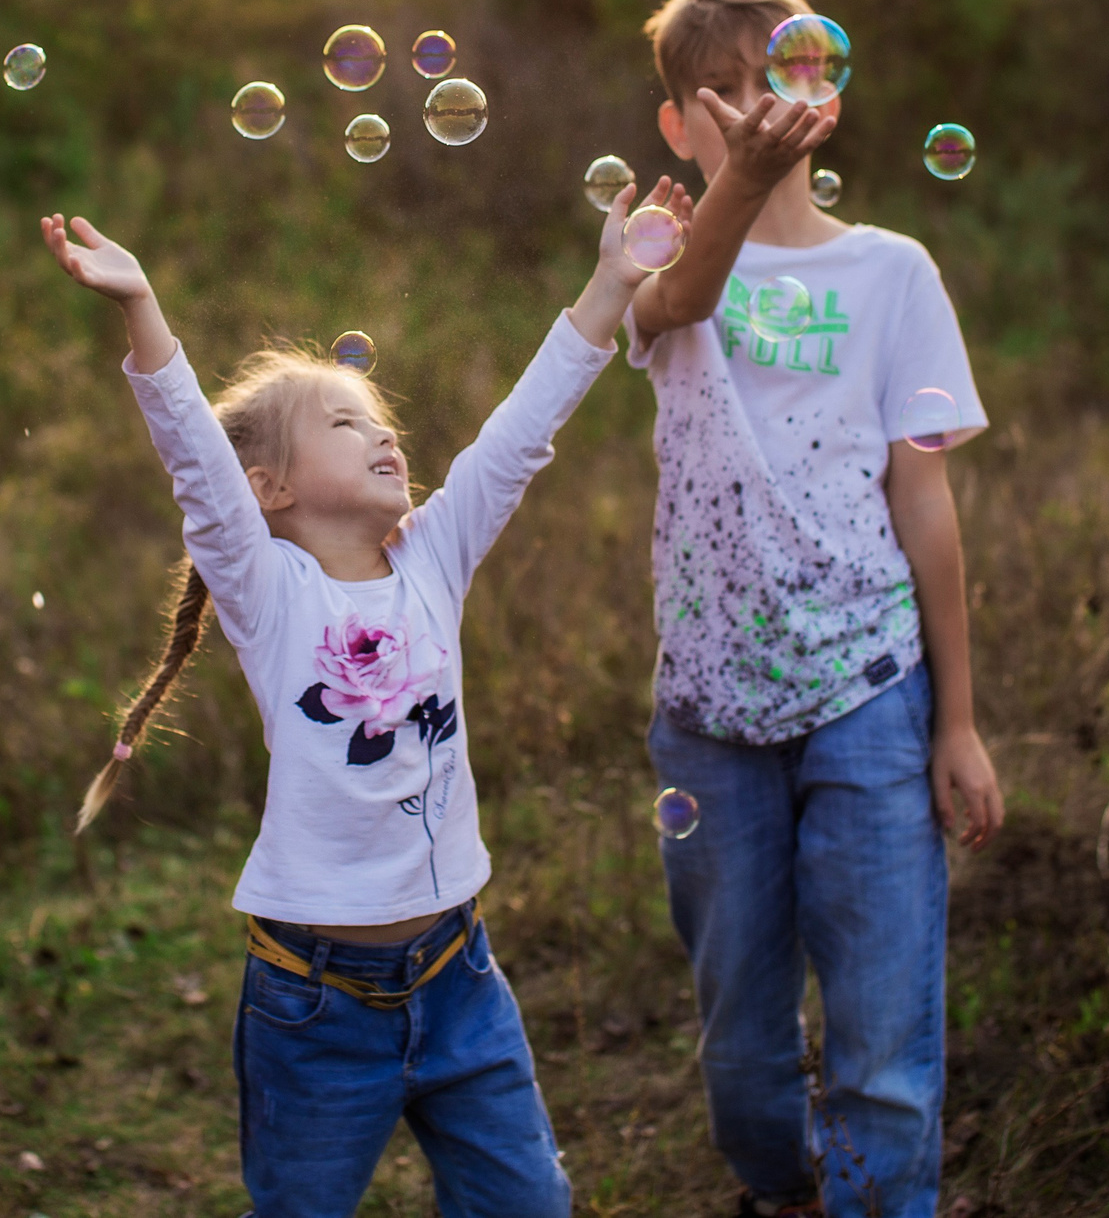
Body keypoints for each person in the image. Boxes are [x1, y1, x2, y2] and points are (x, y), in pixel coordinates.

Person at [40, 174, 682, 1218]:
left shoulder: (433, 557)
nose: (386, 436)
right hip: (313, 1003)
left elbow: (519, 434)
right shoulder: (267, 590)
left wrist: (611, 281)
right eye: (346, 424)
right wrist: (141, 308)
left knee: (529, 1208)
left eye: (381, 421)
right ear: (272, 489)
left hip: (460, 979)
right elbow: (197, 463)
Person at [625, 0, 1005, 1218]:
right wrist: (727, 191)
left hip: (870, 693)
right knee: (744, 1061)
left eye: (769, 80)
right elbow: (680, 300)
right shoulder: (653, 261)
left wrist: (953, 719)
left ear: (821, 97)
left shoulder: (893, 273)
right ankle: (784, 1193)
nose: (747, 108)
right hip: (709, 712)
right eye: (714, 92)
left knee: (883, 1051)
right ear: (679, 124)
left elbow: (923, 500)